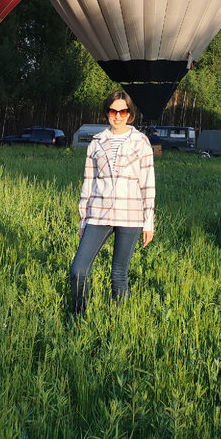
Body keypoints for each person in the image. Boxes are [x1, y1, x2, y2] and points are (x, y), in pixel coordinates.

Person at [69, 89, 155, 315]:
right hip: (98, 214)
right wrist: (83, 219)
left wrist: (149, 223)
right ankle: (79, 317)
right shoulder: (97, 142)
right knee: (78, 270)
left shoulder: (141, 142)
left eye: (123, 111)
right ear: (106, 113)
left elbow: (148, 184)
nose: (118, 116)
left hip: (130, 215)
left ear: (130, 114)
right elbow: (88, 182)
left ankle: (118, 323)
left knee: (119, 274)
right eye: (113, 111)